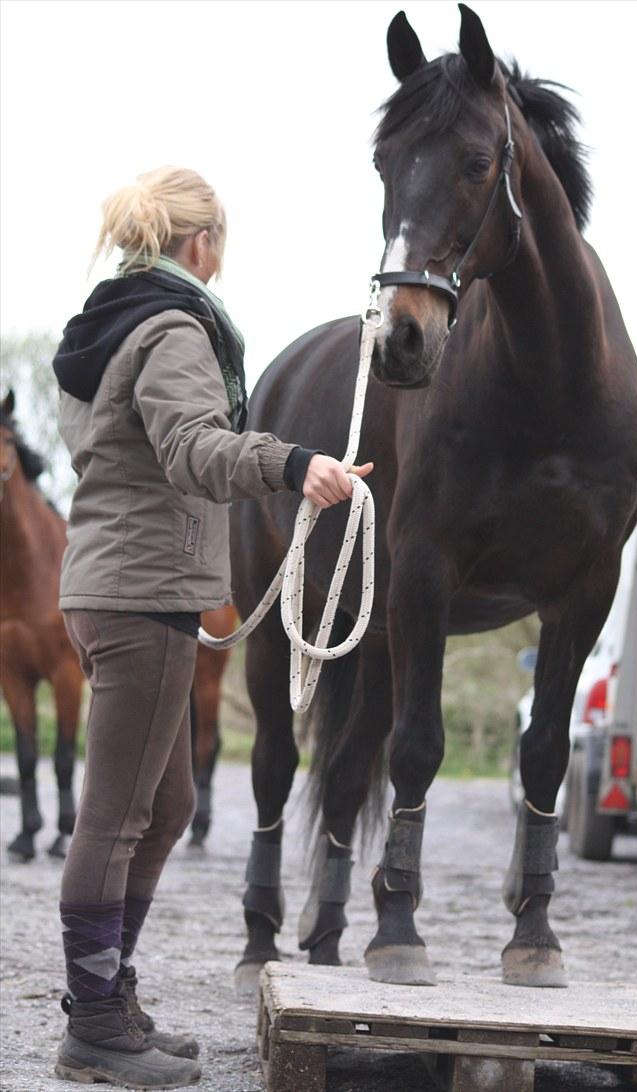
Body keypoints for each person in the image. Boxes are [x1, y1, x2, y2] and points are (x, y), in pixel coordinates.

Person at [51, 165, 373, 1089]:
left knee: (170, 807)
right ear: (202, 244)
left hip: (120, 583)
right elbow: (191, 446)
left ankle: (107, 994)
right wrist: (294, 461)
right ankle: (97, 1022)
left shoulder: (109, 324)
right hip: (140, 594)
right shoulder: (175, 329)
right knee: (116, 817)